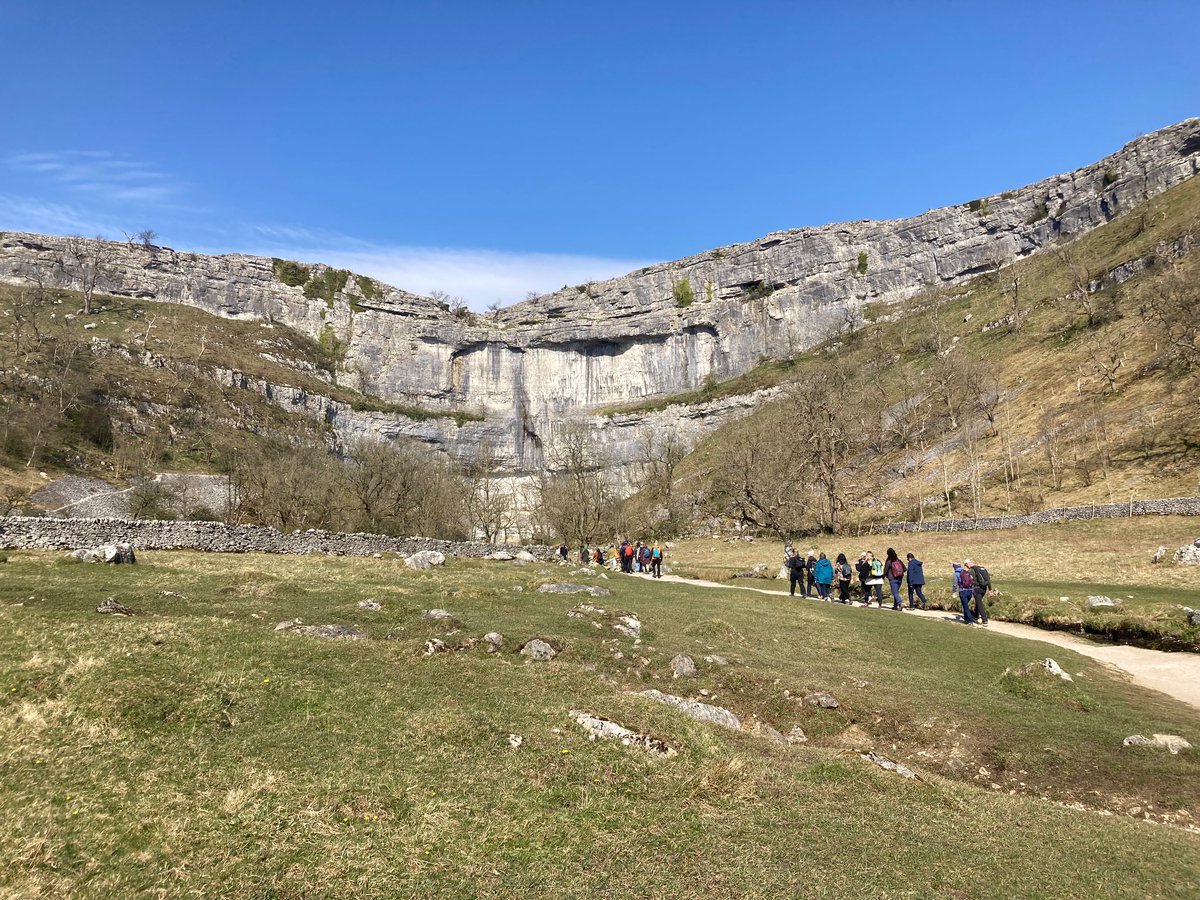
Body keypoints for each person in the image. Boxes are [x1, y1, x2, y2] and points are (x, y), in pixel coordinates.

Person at [965, 558, 991, 626]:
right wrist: (990, 589)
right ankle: (976, 616)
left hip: (976, 589)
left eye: (966, 565)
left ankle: (984, 620)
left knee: (979, 603)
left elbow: (969, 581)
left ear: (968, 564)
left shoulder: (971, 571)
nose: (966, 566)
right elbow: (988, 579)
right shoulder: (982, 568)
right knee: (978, 602)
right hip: (984, 588)